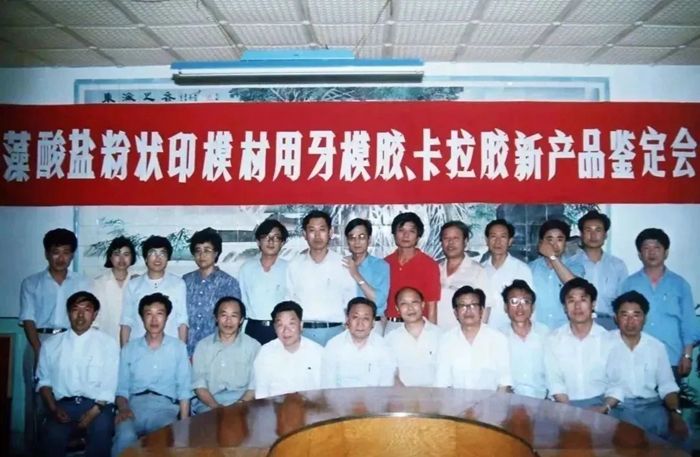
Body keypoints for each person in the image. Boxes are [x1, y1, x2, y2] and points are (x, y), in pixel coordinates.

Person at [19, 228, 92, 451]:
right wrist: (39, 351)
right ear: (46, 254)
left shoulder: (82, 282)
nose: (61, 258)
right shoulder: (32, 283)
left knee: (68, 395)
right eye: (55, 252)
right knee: (37, 401)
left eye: (66, 252)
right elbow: (28, 319)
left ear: (72, 255)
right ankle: (34, 448)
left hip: (71, 341)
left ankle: (69, 446)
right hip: (39, 340)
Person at [36, 291, 119, 457]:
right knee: (51, 436)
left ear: (94, 315)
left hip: (97, 406)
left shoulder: (108, 343)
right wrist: (53, 408)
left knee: (102, 432)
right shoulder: (51, 345)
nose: (80, 315)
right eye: (75, 309)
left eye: (87, 310)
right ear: (68, 313)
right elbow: (44, 382)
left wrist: (94, 411)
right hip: (63, 405)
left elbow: (109, 384)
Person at [112, 293, 192, 457]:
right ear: (142, 318)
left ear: (167, 317)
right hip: (133, 408)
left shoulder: (178, 348)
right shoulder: (129, 349)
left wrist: (184, 425)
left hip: (165, 410)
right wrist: (124, 408)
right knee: (125, 436)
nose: (154, 319)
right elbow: (121, 389)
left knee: (165, 440)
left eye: (159, 313)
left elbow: (184, 390)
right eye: (149, 314)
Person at [608, 291, 690, 451]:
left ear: (645, 318)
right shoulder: (604, 343)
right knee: (635, 439)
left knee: (684, 437)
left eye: (636, 315)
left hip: (652, 406)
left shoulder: (656, 346)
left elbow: (667, 385)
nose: (630, 321)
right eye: (624, 315)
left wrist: (675, 414)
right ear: (616, 318)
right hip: (619, 407)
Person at [619, 228, 699, 380]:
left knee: (670, 396)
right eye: (646, 248)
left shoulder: (680, 285)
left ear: (666, 252)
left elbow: (689, 323)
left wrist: (687, 356)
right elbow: (622, 322)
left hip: (671, 359)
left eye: (657, 247)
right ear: (639, 254)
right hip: (636, 359)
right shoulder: (629, 284)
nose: (652, 252)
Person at [544, 278, 623, 413]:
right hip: (564, 405)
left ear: (593, 304)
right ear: (564, 307)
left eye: (583, 300)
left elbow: (617, 384)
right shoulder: (553, 339)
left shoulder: (609, 340)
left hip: (601, 404)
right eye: (571, 301)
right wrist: (571, 412)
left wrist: (604, 408)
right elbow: (554, 381)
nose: (577, 306)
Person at [286, 210, 356, 346]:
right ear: (304, 234)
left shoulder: (343, 264)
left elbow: (350, 301)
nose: (317, 235)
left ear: (330, 233)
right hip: (303, 333)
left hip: (336, 332)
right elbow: (290, 300)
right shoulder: (294, 265)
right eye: (312, 230)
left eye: (322, 230)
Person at [434, 286, 511, 391]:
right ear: (456, 313)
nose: (468, 310)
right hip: (456, 401)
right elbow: (442, 383)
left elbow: (504, 383)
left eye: (473, 305)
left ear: (481, 310)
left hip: (490, 401)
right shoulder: (446, 341)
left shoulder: (499, 339)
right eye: (462, 306)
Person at [192, 297, 259, 413]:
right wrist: (215, 407)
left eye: (234, 316)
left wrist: (239, 405)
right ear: (216, 318)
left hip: (243, 402)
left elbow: (255, 384)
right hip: (209, 403)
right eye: (224, 315)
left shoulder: (253, 346)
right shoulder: (203, 346)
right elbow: (199, 384)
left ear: (241, 320)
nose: (228, 321)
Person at [119, 235, 188, 346]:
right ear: (146, 258)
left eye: (162, 253)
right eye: (153, 253)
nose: (158, 258)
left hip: (170, 347)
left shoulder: (178, 284)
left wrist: (182, 350)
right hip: (138, 348)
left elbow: (182, 322)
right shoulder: (133, 285)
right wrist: (125, 351)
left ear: (168, 258)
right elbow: (126, 321)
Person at [183, 227, 241, 356]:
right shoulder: (185, 281)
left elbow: (232, 322)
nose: (201, 255)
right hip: (188, 350)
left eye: (207, 250)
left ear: (216, 253)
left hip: (217, 351)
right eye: (198, 250)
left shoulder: (229, 283)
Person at [252, 301, 323, 399]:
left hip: (309, 405)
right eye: (280, 325)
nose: (286, 330)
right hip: (276, 406)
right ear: (274, 328)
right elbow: (261, 394)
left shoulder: (318, 352)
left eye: (291, 324)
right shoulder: (265, 353)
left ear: (301, 325)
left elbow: (323, 392)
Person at [321, 297, 396, 388]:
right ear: (347, 319)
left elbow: (386, 386)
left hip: (374, 396)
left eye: (366, 318)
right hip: (342, 396)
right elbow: (328, 387)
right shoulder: (333, 346)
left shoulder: (384, 347)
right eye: (355, 317)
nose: (360, 323)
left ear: (373, 322)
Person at [384, 212, 440, 332]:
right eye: (401, 230)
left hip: (418, 326)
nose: (406, 235)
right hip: (390, 325)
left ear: (418, 236)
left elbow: (432, 306)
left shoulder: (429, 265)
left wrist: (432, 334)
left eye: (411, 231)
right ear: (394, 234)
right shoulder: (385, 263)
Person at [573, 211, 628, 330]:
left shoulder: (618, 265)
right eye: (588, 230)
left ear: (605, 234)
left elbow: (624, 301)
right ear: (581, 234)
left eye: (598, 230)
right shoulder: (570, 264)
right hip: (578, 324)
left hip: (609, 324)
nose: (593, 235)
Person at [240, 219, 289, 345]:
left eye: (276, 237)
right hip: (253, 328)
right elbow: (241, 300)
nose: (271, 241)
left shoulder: (289, 268)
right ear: (258, 241)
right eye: (266, 237)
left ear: (282, 242)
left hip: (281, 328)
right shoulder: (246, 268)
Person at [529, 219, 584, 330]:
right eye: (549, 239)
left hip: (565, 331)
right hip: (537, 331)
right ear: (541, 243)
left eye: (559, 239)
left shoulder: (575, 266)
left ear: (565, 243)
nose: (554, 245)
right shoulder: (530, 268)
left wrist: (552, 257)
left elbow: (574, 285)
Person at [499, 280, 549, 399]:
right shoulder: (498, 337)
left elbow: (556, 374)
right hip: (510, 402)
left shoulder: (546, 334)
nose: (520, 307)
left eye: (526, 301)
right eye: (514, 301)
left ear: (533, 307)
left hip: (544, 401)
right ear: (505, 307)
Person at [437, 221, 491, 330]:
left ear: (465, 242)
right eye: (446, 238)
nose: (450, 242)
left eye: (456, 238)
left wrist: (478, 335)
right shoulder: (436, 269)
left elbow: (485, 308)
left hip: (463, 335)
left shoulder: (478, 271)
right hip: (437, 333)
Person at [481, 219, 533, 330]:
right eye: (493, 236)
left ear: (510, 241)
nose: (498, 241)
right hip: (486, 332)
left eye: (503, 237)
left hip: (513, 332)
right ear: (487, 241)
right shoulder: (480, 270)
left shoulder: (522, 269)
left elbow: (530, 304)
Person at [385, 287, 442, 387]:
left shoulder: (440, 335)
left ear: (422, 305)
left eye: (414, 302)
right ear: (397, 309)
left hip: (435, 393)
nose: (410, 308)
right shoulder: (390, 339)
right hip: (403, 394)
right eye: (404, 304)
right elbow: (391, 374)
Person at [343, 218, 390, 335]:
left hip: (373, 325)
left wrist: (356, 275)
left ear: (369, 239)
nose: (357, 242)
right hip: (345, 325)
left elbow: (378, 301)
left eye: (362, 237)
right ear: (347, 241)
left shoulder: (380, 266)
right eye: (352, 238)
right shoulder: (342, 264)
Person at [93, 236, 137, 342]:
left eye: (126, 254)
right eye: (117, 254)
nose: (121, 259)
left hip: (133, 342)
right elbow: (94, 319)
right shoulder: (98, 283)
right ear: (110, 257)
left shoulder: (138, 282)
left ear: (132, 257)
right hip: (105, 341)